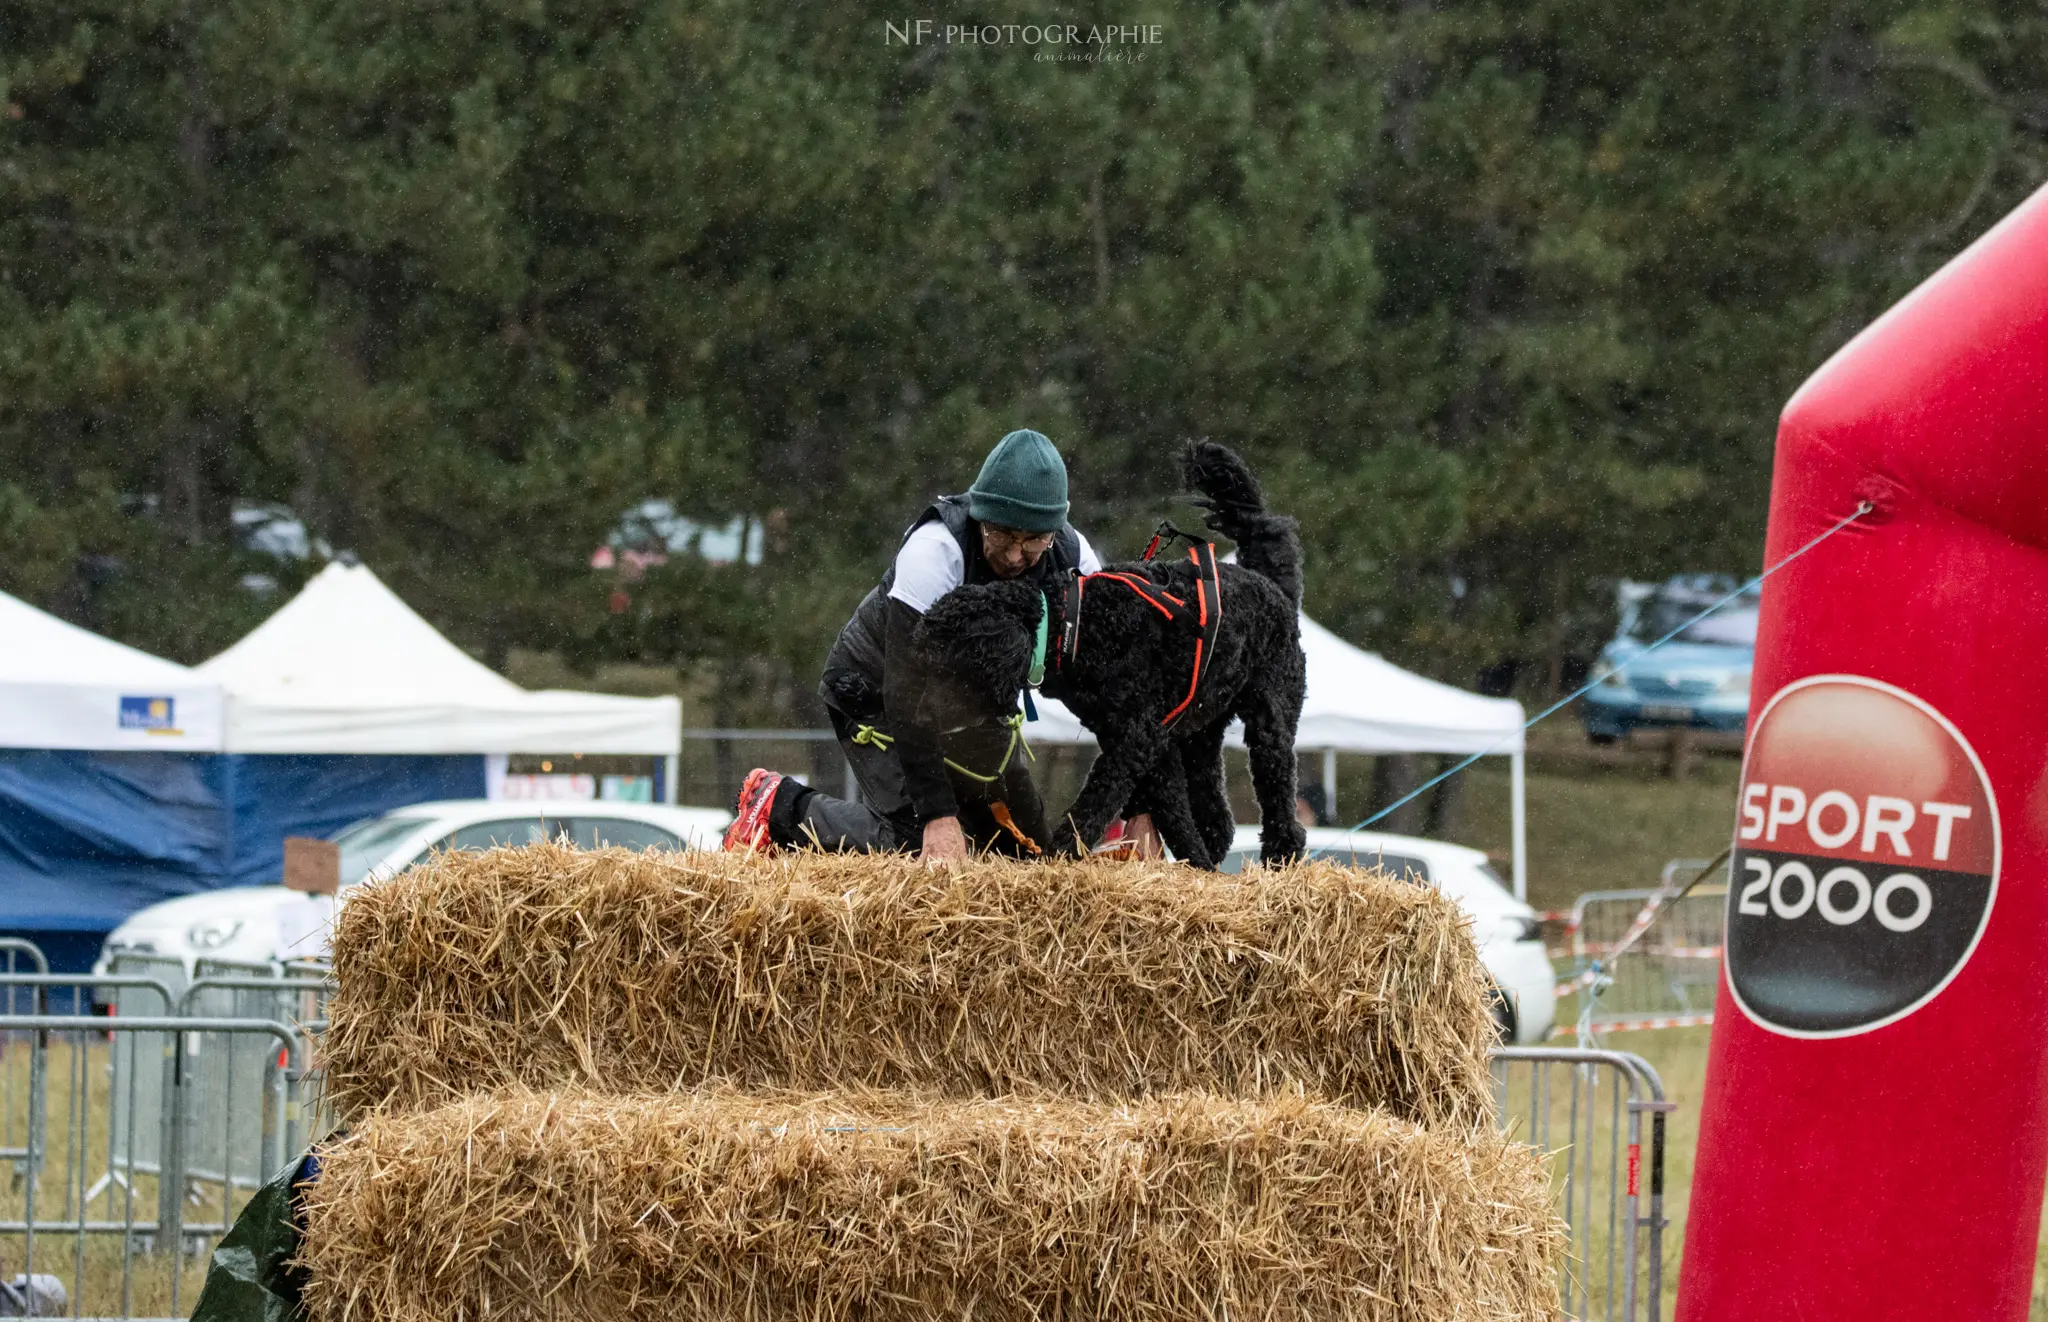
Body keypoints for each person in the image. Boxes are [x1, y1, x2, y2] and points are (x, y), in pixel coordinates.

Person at [722, 429, 1157, 864]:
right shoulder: (935, 550)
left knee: (1027, 857)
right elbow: (905, 693)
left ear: (1054, 530)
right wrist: (938, 813)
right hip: (876, 690)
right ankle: (779, 804)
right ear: (981, 514)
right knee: (918, 843)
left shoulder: (1077, 560)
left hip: (969, 712)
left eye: (1032, 542)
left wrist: (1140, 808)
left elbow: (1119, 693)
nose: (1013, 556)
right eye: (1002, 534)